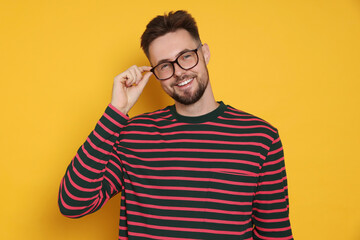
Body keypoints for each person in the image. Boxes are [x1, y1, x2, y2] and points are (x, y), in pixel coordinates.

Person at [58, 10, 293, 240]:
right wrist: (117, 112)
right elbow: (73, 203)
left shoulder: (260, 137)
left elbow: (275, 233)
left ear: (205, 53)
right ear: (154, 72)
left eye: (186, 56)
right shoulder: (134, 135)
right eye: (164, 65)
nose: (179, 72)